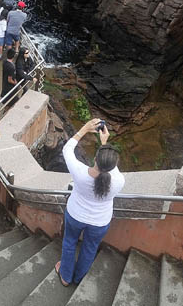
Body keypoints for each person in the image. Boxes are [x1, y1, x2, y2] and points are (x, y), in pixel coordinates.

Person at [55, 118, 124, 286]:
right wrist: (104, 143)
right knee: (90, 248)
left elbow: (67, 149)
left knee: (69, 242)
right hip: (100, 221)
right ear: (114, 165)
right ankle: (78, 278)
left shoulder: (79, 172)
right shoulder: (118, 180)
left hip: (75, 215)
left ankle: (65, 276)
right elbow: (107, 167)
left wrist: (84, 130)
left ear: (95, 158)